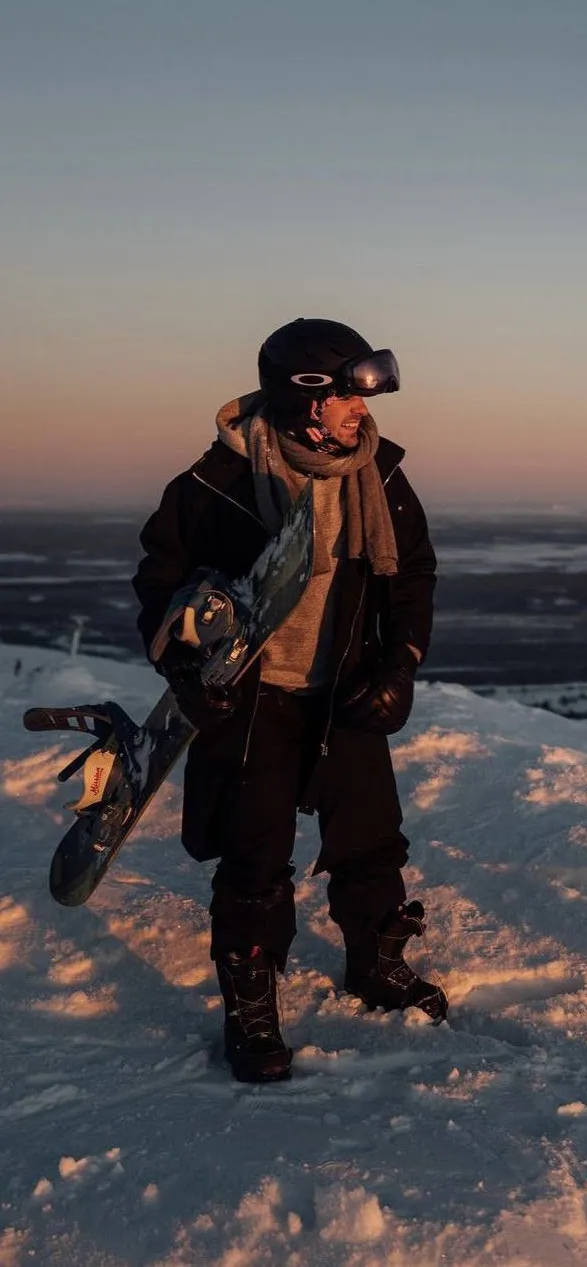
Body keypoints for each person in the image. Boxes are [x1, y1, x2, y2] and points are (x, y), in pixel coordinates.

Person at [133, 317, 443, 1084]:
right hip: (254, 697)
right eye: (347, 395)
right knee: (254, 857)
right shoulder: (213, 484)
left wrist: (399, 664)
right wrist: (186, 665)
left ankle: (374, 961)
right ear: (306, 398)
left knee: (372, 841)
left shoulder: (382, 474)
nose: (361, 411)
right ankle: (251, 1003)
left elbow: (412, 578)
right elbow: (157, 586)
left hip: (345, 687)